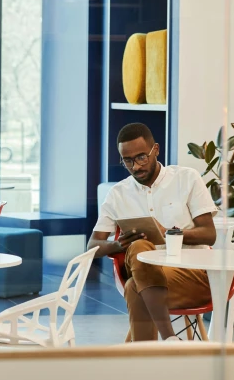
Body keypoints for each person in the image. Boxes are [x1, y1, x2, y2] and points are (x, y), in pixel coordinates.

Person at [87, 123, 218, 342]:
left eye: (141, 157)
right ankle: (169, 341)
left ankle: (150, 360)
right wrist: (119, 245)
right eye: (127, 161)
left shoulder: (187, 178)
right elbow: (93, 246)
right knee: (138, 248)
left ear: (155, 150)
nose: (135, 166)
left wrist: (170, 234)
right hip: (150, 278)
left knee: (133, 286)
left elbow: (208, 234)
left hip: (191, 277)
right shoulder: (117, 194)